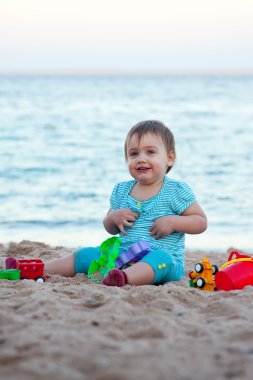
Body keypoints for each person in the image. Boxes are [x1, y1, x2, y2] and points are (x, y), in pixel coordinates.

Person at [44, 120, 207, 286]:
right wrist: (113, 218)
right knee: (87, 254)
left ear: (170, 159)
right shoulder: (121, 191)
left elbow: (200, 222)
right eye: (134, 154)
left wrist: (174, 222)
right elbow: (110, 228)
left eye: (150, 152)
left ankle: (123, 278)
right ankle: (41, 268)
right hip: (122, 258)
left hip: (165, 262)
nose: (141, 159)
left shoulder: (176, 190)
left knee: (161, 258)